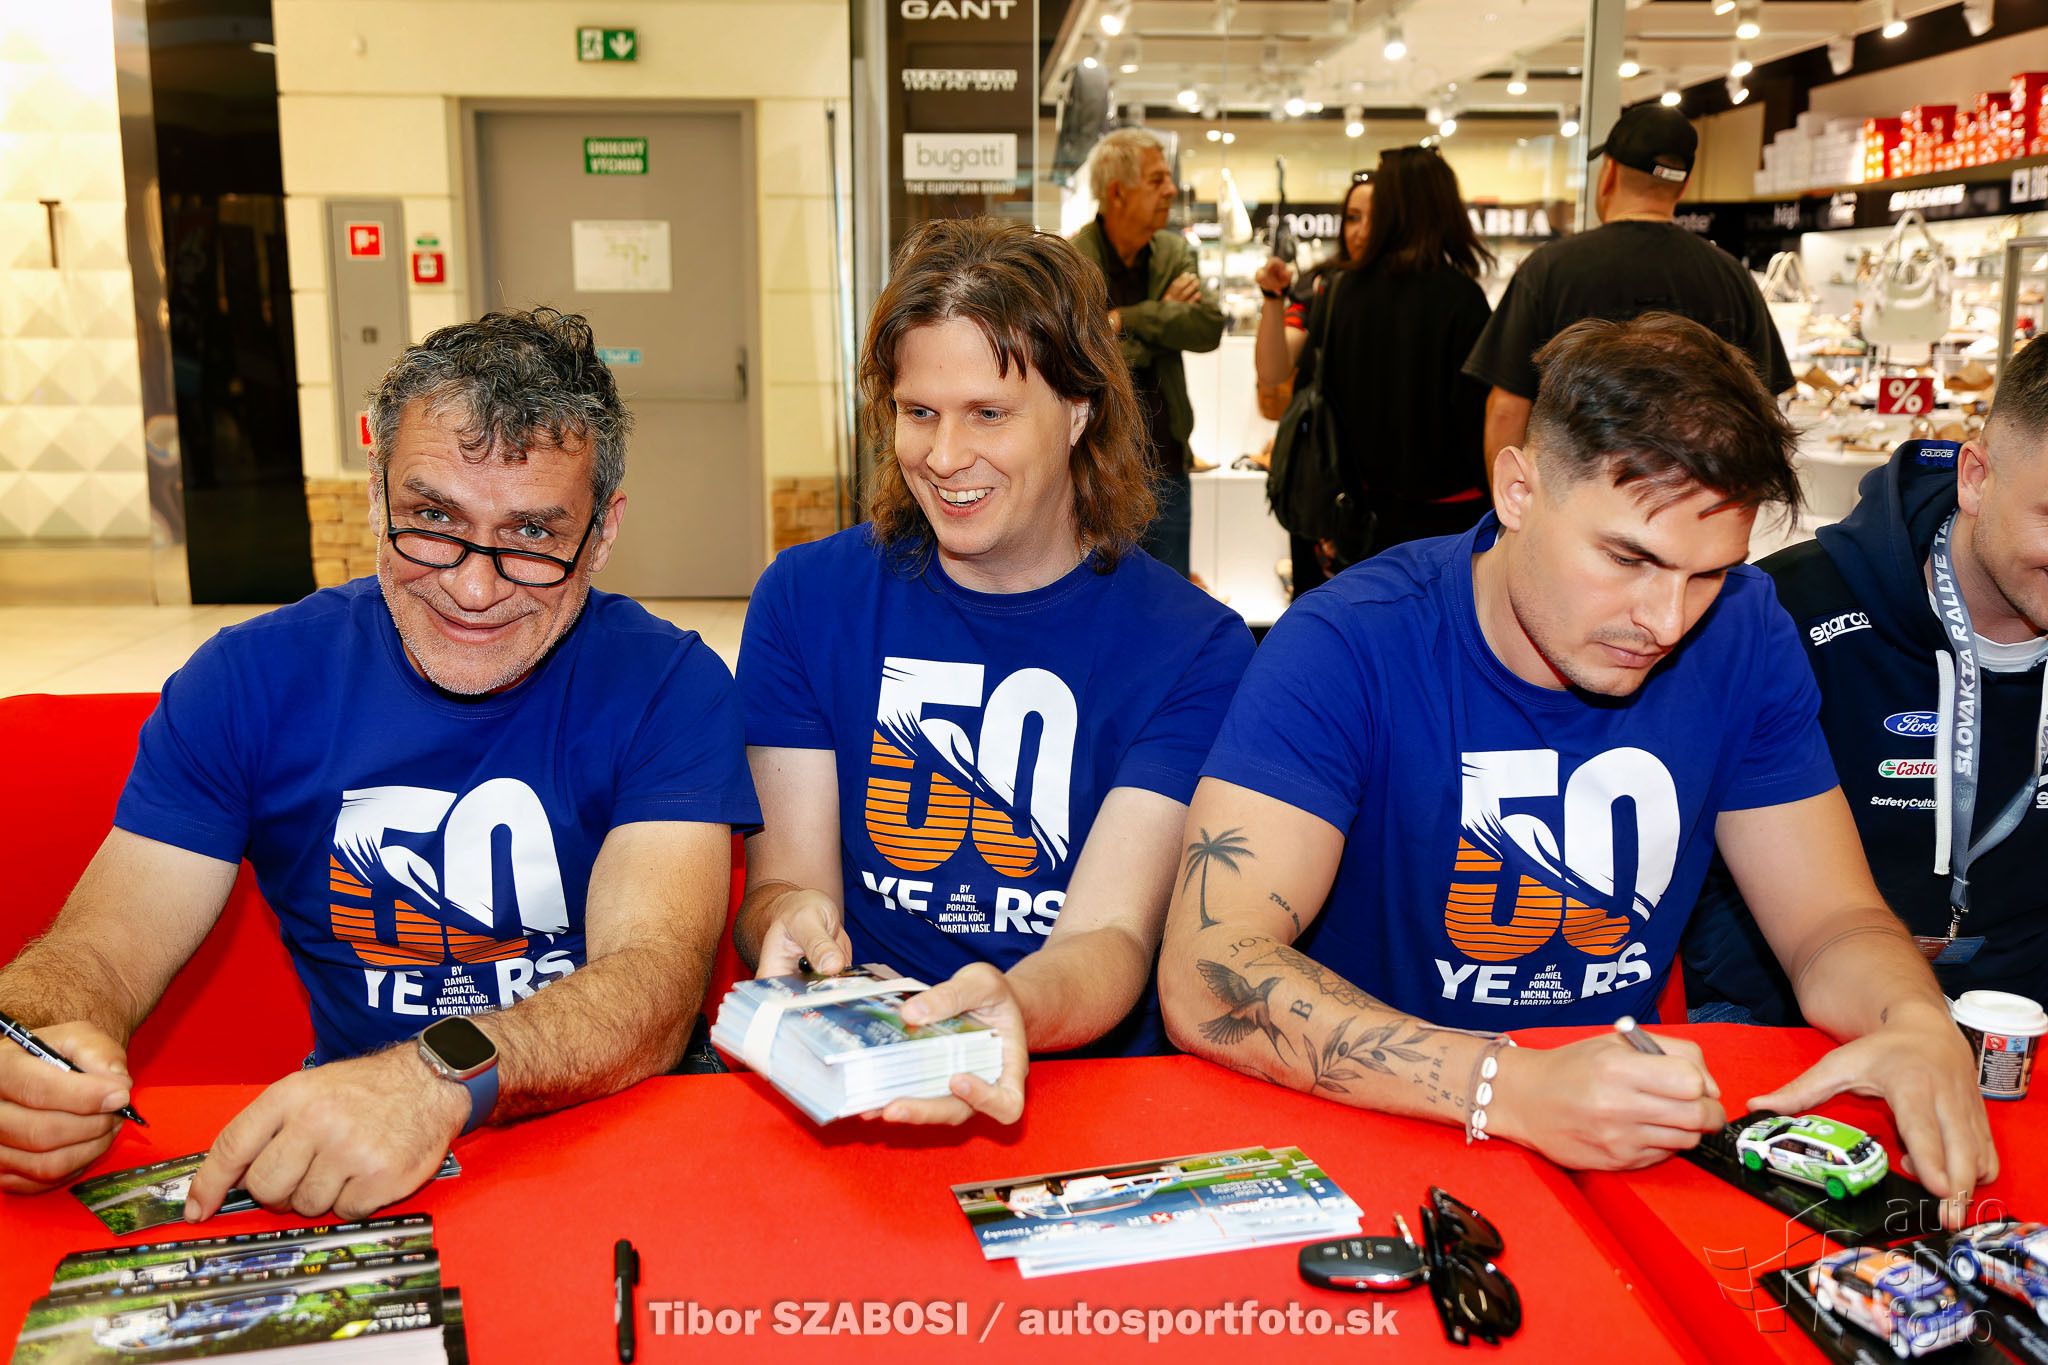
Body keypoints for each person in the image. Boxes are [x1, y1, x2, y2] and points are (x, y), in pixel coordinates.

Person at [1158, 313, 1992, 1221]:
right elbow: (1208, 968)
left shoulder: (1745, 631)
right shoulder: (1348, 642)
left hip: (1620, 1150)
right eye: (1629, 557)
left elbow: (1829, 922)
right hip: (1370, 1143)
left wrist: (1914, 1019)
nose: (1665, 620)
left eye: (1709, 572)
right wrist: (1508, 1086)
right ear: (1518, 489)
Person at [0, 309, 760, 1214]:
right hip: (353, 1154)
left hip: (615, 1136)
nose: (473, 587)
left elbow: (653, 983)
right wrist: (27, 1037)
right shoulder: (247, 681)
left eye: (531, 535)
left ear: (601, 534)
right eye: (433, 518)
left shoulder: (669, 684)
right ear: (375, 494)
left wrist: (433, 1079)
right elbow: (102, 950)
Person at [735, 218, 1254, 1125]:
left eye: (989, 413)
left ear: (1081, 410)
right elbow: (784, 881)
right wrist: (786, 918)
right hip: (858, 1081)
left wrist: (1009, 1009)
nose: (943, 458)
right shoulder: (806, 600)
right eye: (918, 412)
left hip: (1083, 1085)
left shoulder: (1192, 645)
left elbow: (1111, 933)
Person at [1684, 336, 2048, 1023]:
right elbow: (1701, 878)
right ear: (1976, 478)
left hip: (2021, 1025)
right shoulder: (1784, 613)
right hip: (1791, 1016)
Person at [1464, 105, 1793, 478]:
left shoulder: (1548, 269)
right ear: (1683, 185)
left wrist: (1509, 505)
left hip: (1571, 496)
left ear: (1609, 173)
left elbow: (1507, 410)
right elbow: (1764, 409)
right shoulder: (1731, 276)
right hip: (1697, 498)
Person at [1254, 146, 1493, 587]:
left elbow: (1332, 400)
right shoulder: (1460, 298)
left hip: (1361, 514)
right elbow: (1473, 417)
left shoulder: (1342, 292)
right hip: (1448, 521)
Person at [1068, 127, 1224, 578]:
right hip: (1095, 469)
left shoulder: (1173, 252)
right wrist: (1162, 319)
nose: (1171, 190)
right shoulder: (1073, 263)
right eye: (1157, 180)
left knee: (1169, 600)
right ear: (1117, 192)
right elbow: (1082, 358)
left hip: (1168, 465)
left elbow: (1208, 328)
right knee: (1097, 599)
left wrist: (1124, 320)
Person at [1254, 168, 1372, 599]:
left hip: (1387, 486)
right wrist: (1273, 299)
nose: (1361, 230)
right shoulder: (1321, 286)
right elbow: (1272, 370)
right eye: (1353, 217)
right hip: (1322, 474)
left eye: (1375, 217)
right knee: (1317, 605)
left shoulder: (1420, 292)